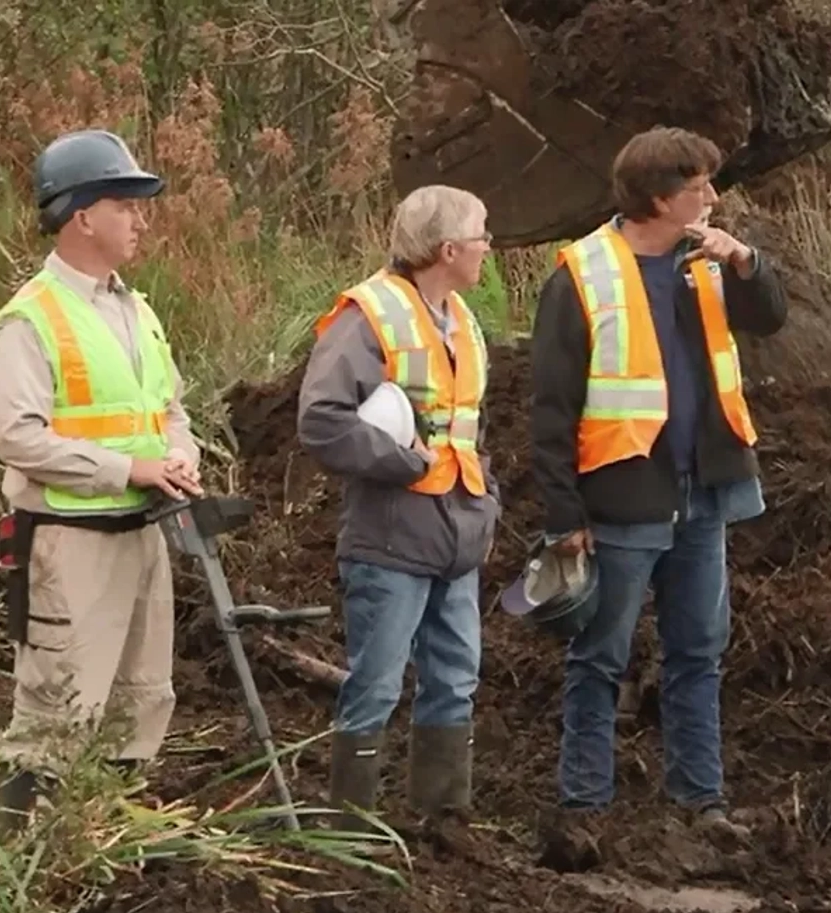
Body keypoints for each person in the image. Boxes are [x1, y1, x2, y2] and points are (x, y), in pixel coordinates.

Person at [528, 126, 788, 839]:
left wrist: (746, 263)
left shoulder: (706, 261)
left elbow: (770, 316)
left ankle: (701, 802)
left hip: (702, 492)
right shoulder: (581, 275)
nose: (712, 196)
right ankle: (585, 806)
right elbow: (549, 408)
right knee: (600, 655)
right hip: (623, 498)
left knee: (699, 649)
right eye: (698, 185)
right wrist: (563, 513)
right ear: (658, 197)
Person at [0, 129, 203, 820]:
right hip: (69, 541)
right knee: (58, 708)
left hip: (141, 533)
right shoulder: (28, 319)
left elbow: (168, 407)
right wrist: (126, 467)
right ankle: (24, 866)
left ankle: (103, 844)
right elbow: (19, 437)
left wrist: (179, 451)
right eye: (125, 204)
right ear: (81, 215)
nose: (140, 219)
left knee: (142, 697)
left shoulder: (136, 310)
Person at [298, 185, 497, 831]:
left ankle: (442, 820)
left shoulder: (461, 318)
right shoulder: (369, 315)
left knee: (455, 676)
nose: (488, 247)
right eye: (481, 236)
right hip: (391, 534)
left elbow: (464, 425)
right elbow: (323, 420)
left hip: (457, 531)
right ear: (448, 249)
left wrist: (483, 496)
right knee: (377, 684)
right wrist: (406, 463)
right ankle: (351, 827)